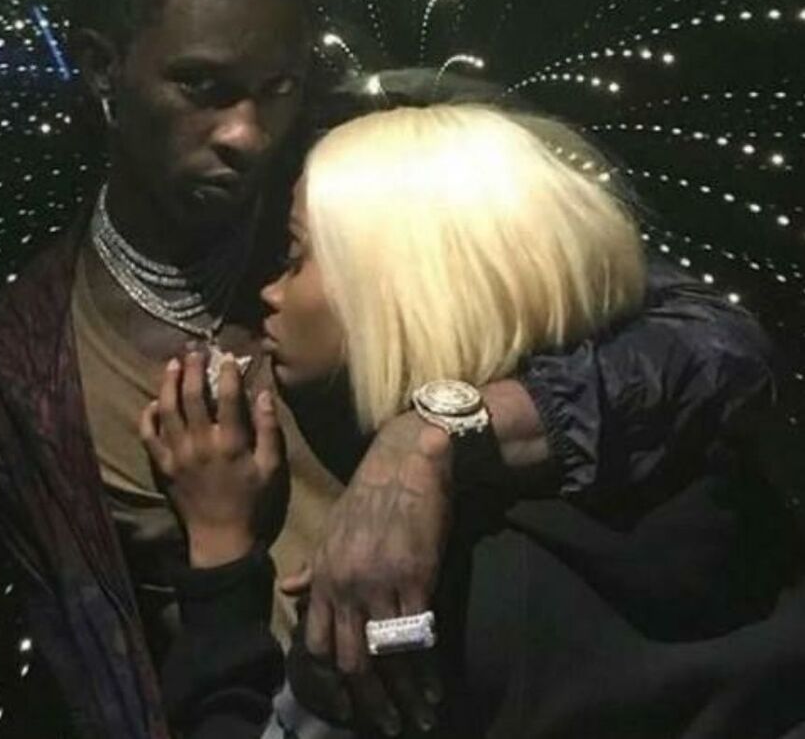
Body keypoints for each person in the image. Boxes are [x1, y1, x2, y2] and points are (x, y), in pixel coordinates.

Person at [0, 0, 782, 739]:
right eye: (202, 87)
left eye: (277, 87)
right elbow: (98, 666)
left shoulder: (361, 181)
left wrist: (432, 439)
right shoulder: (21, 365)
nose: (246, 133)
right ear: (101, 67)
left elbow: (716, 344)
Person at [142, 104, 805, 739]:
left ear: (397, 292)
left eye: (295, 256)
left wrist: (220, 550)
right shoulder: (712, 458)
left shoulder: (394, 588)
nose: (270, 291)